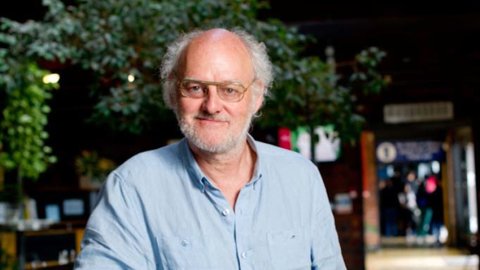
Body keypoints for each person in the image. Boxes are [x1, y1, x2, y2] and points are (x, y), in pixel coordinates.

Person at [74, 28, 346, 269]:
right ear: (172, 93)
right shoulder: (132, 186)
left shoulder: (301, 178)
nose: (212, 106)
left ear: (257, 96)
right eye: (195, 88)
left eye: (230, 90)